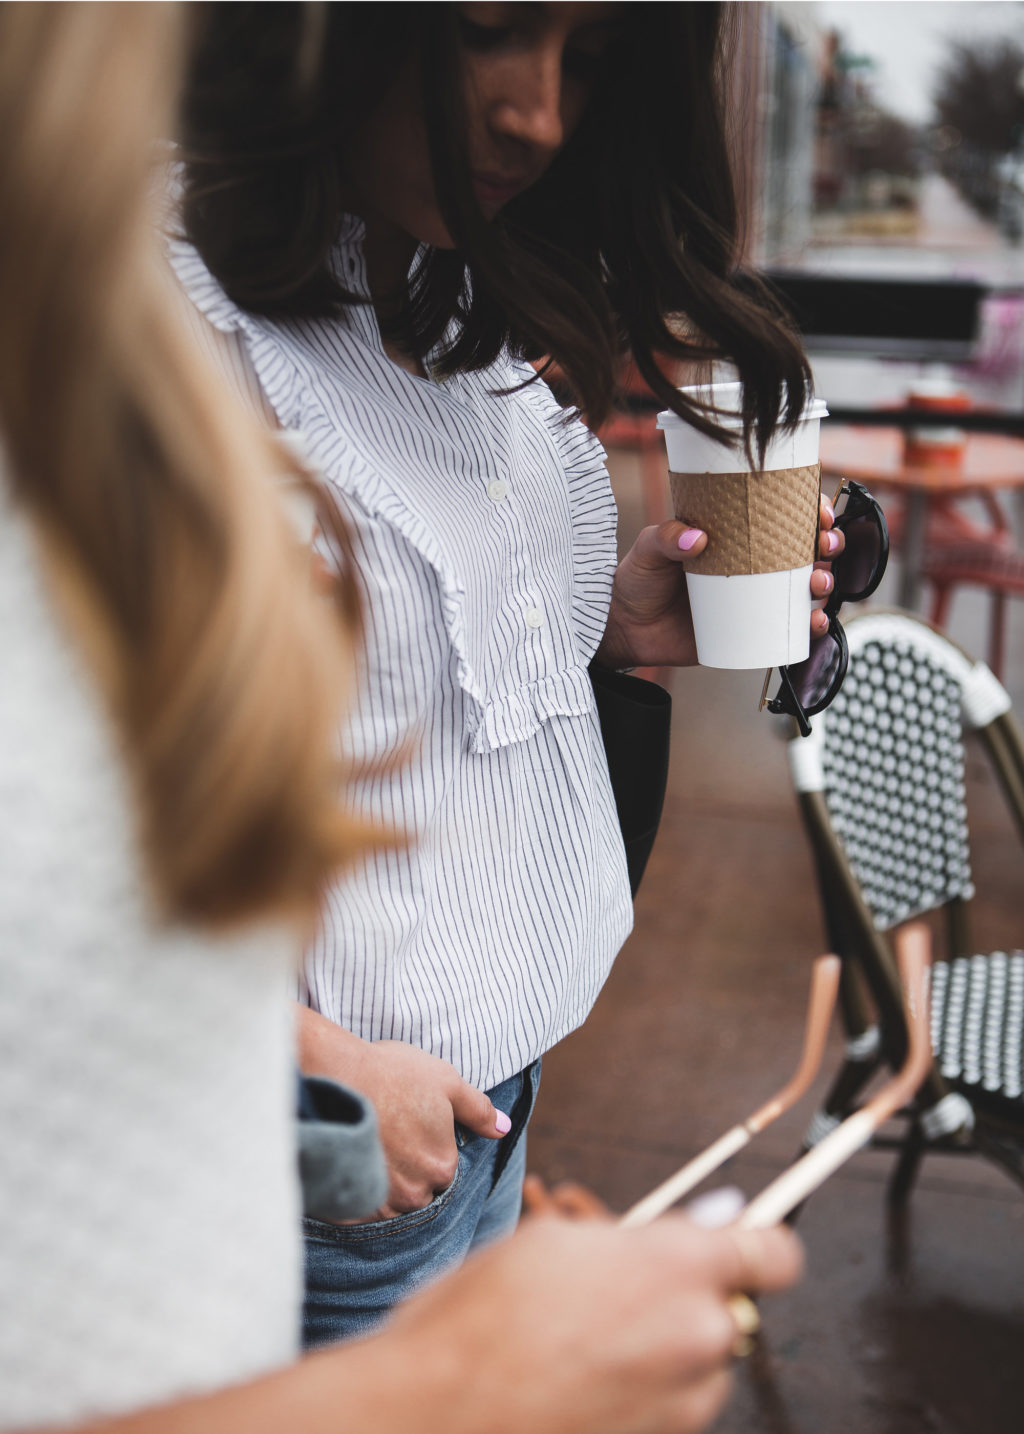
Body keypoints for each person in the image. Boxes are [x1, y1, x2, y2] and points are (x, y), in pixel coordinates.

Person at [0, 6, 804, 1434]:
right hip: (338, 1151)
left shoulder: (434, 279)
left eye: (595, 62)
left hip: (486, 1094)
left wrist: (613, 624)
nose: (539, 116)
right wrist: (324, 1061)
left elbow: (385, 668)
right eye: (492, 30)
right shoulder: (136, 327)